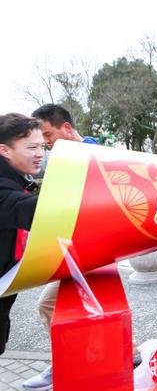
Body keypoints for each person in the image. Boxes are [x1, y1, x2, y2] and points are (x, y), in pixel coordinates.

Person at [23, 105, 98, 390]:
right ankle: (68, 361)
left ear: (66, 128)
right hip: (73, 252)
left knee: (52, 304)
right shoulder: (63, 162)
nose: (47, 144)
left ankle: (70, 362)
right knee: (59, 306)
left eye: (48, 135)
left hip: (95, 253)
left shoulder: (96, 155)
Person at [0, 114, 44, 357]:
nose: (40, 153)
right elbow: (36, 211)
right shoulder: (4, 188)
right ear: (4, 150)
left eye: (42, 147)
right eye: (32, 147)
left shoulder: (16, 181)